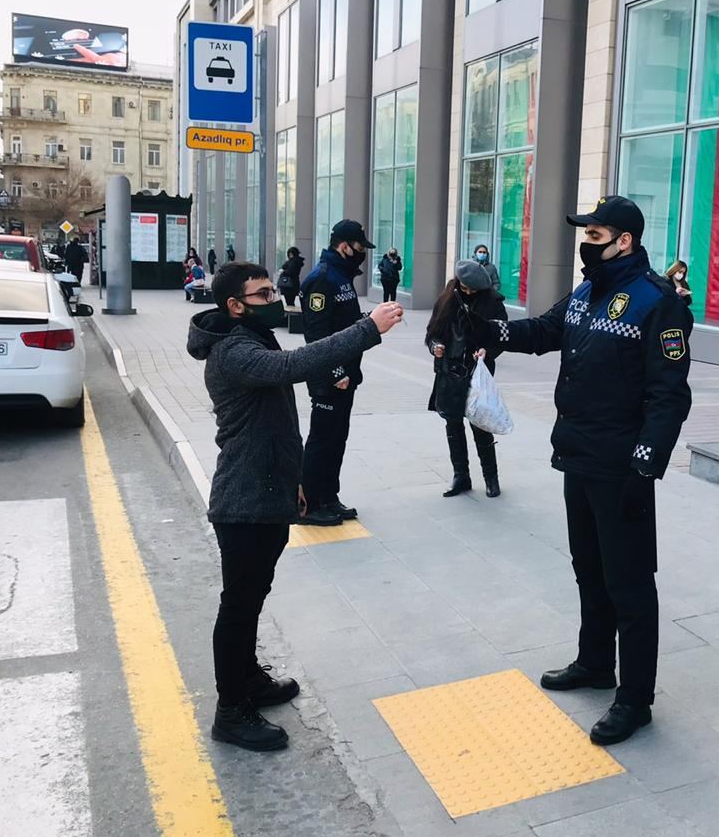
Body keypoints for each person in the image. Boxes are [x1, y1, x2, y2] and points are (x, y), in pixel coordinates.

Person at [474, 195, 692, 746]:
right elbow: (545, 331)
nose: (585, 244)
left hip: (622, 467)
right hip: (579, 455)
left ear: (625, 241)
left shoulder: (656, 302)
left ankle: (635, 699)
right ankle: (595, 662)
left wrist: (646, 464)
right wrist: (491, 331)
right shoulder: (587, 292)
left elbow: (669, 395)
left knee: (629, 584)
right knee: (589, 568)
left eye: (594, 236)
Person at [187, 261, 404, 752]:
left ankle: (249, 680)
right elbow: (294, 366)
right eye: (263, 294)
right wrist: (367, 329)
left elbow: (277, 422)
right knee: (239, 606)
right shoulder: (234, 351)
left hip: (268, 489)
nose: (276, 300)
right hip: (243, 500)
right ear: (235, 305)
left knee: (253, 596)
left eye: (273, 290)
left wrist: (295, 481)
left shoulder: (252, 337)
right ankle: (230, 711)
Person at [298, 220, 374, 526]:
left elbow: (343, 321)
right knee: (321, 440)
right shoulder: (322, 279)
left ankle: (329, 497)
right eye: (358, 247)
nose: (361, 253)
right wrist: (335, 371)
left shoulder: (342, 276)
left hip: (346, 375)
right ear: (344, 246)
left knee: (337, 438)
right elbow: (316, 334)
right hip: (328, 377)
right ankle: (310, 505)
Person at [426, 260, 508, 498]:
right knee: (452, 425)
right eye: (464, 288)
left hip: (476, 374)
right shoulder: (447, 299)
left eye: (474, 290)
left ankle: (491, 477)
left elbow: (502, 335)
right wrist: (435, 346)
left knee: (480, 425)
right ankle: (460, 476)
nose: (469, 292)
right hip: (449, 372)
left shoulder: (493, 302)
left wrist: (487, 350)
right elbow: (432, 332)